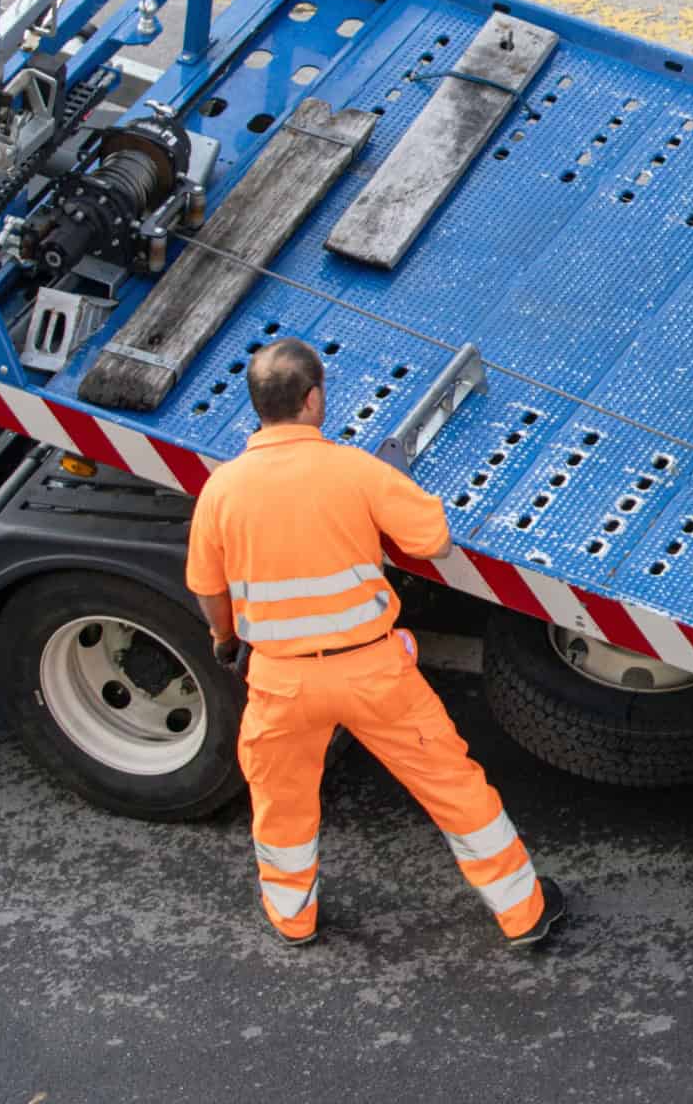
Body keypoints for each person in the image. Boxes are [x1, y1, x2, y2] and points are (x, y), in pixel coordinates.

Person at [186, 338, 567, 948]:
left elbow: (208, 588)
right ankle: (524, 914)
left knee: (282, 806)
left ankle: (293, 919)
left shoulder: (222, 490)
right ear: (313, 399)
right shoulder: (355, 470)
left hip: (281, 680)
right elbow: (433, 540)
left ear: (258, 405)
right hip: (372, 672)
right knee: (453, 787)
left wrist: (225, 638)